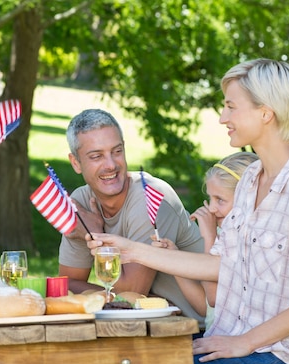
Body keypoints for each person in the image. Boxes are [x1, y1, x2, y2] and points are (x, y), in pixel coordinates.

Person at [87, 58, 289, 364]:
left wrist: (244, 342)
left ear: (265, 113)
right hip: (225, 343)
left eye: (231, 106)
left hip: (277, 362)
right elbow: (218, 265)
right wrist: (133, 250)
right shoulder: (250, 180)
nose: (223, 117)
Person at [58, 108, 205, 326]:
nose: (111, 164)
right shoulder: (82, 200)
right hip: (143, 327)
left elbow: (132, 294)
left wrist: (94, 233)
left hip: (196, 329)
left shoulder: (149, 197)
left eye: (116, 151)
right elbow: (65, 286)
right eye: (97, 156)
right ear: (76, 163)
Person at [155, 151, 258, 330]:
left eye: (220, 200)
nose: (211, 208)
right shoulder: (224, 234)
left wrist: (209, 238)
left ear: (247, 198)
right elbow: (205, 308)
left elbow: (213, 297)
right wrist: (174, 257)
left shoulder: (246, 241)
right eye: (210, 198)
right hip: (218, 337)